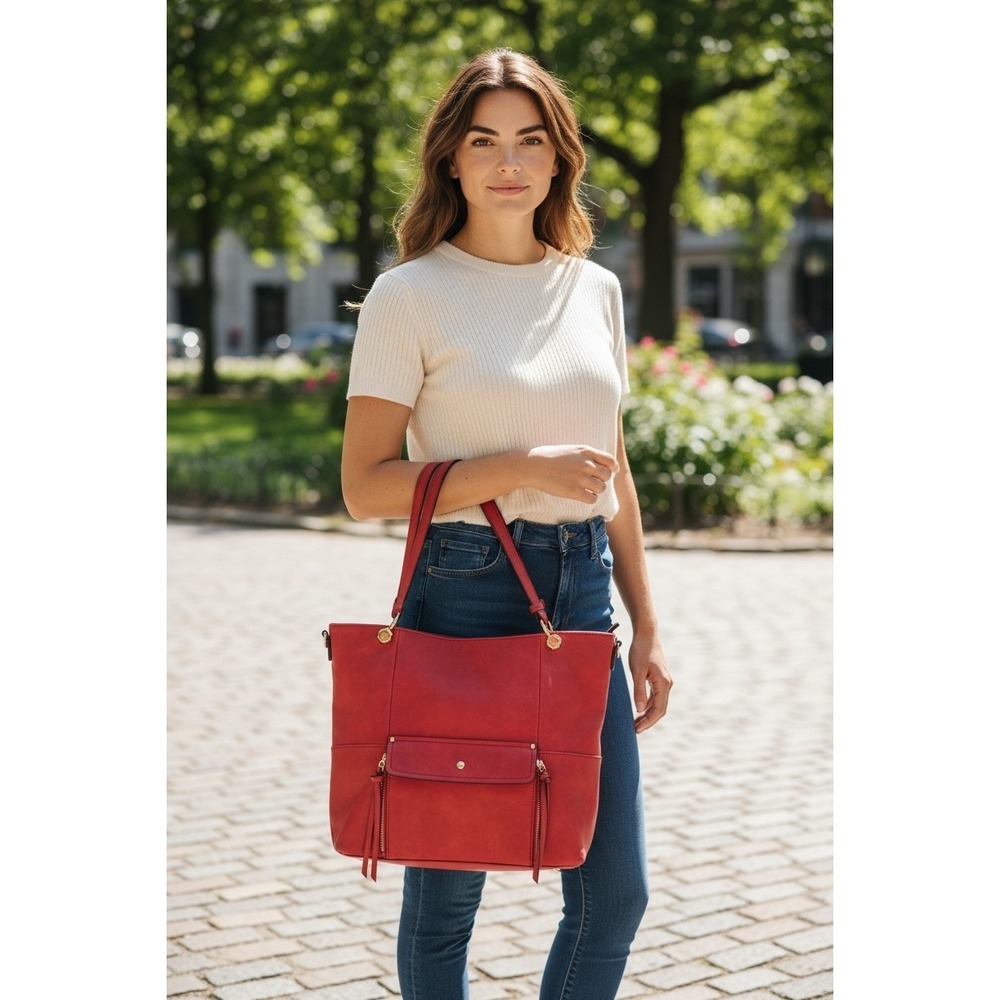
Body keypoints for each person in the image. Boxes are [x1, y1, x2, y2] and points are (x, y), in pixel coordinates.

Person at [341, 48, 672, 1000]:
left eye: (531, 139)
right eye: (484, 140)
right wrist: (519, 468)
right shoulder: (410, 297)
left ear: (560, 158)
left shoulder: (592, 290)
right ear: (451, 158)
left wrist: (645, 620)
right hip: (464, 592)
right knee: (447, 901)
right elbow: (365, 486)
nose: (507, 162)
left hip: (581, 595)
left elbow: (614, 467)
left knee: (613, 897)